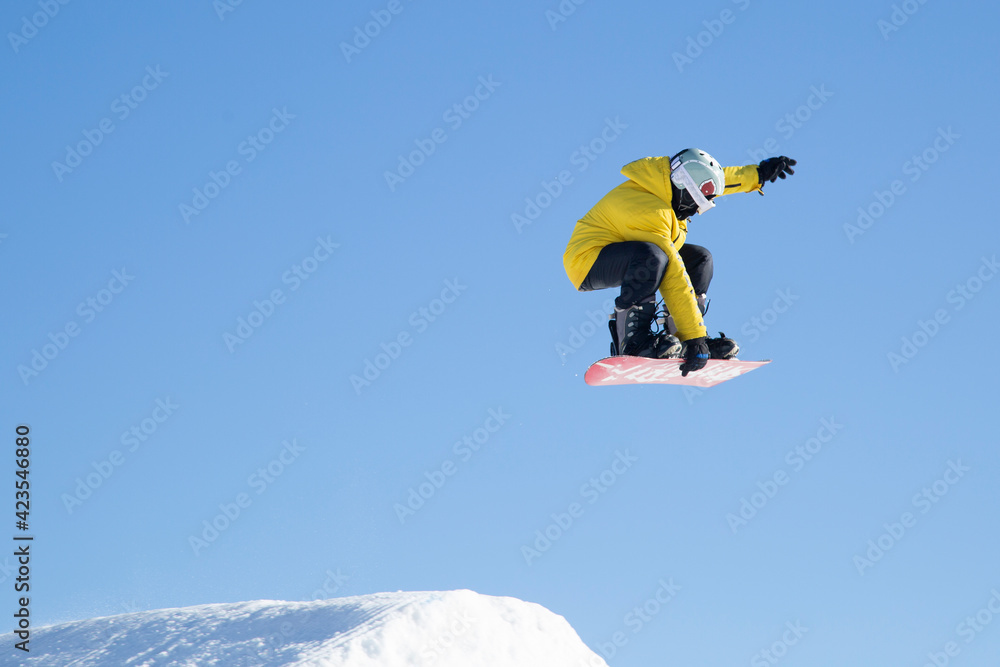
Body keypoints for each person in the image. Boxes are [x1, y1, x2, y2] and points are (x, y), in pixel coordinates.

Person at [563, 149, 795, 376]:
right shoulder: (652, 211)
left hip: (630, 248)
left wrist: (758, 174)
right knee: (653, 258)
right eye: (697, 202)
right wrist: (697, 338)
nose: (696, 210)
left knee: (700, 259)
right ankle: (632, 341)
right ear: (684, 190)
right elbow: (673, 276)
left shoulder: (671, 184)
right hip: (588, 260)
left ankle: (679, 336)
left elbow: (715, 182)